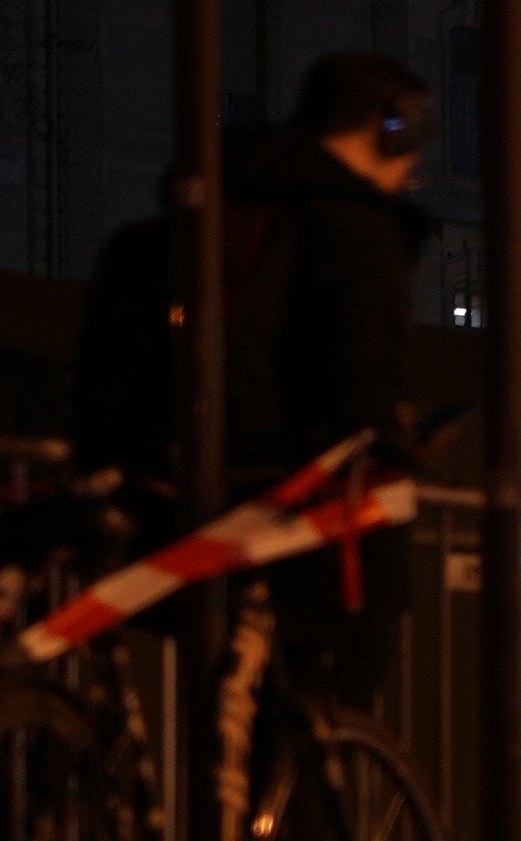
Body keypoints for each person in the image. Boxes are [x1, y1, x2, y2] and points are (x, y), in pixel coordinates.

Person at [57, 41, 442, 717]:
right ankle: (288, 816)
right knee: (325, 701)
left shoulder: (190, 217)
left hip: (150, 496)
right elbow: (361, 385)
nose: (412, 174)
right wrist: (396, 444)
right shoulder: (355, 233)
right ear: (390, 130)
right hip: (277, 514)